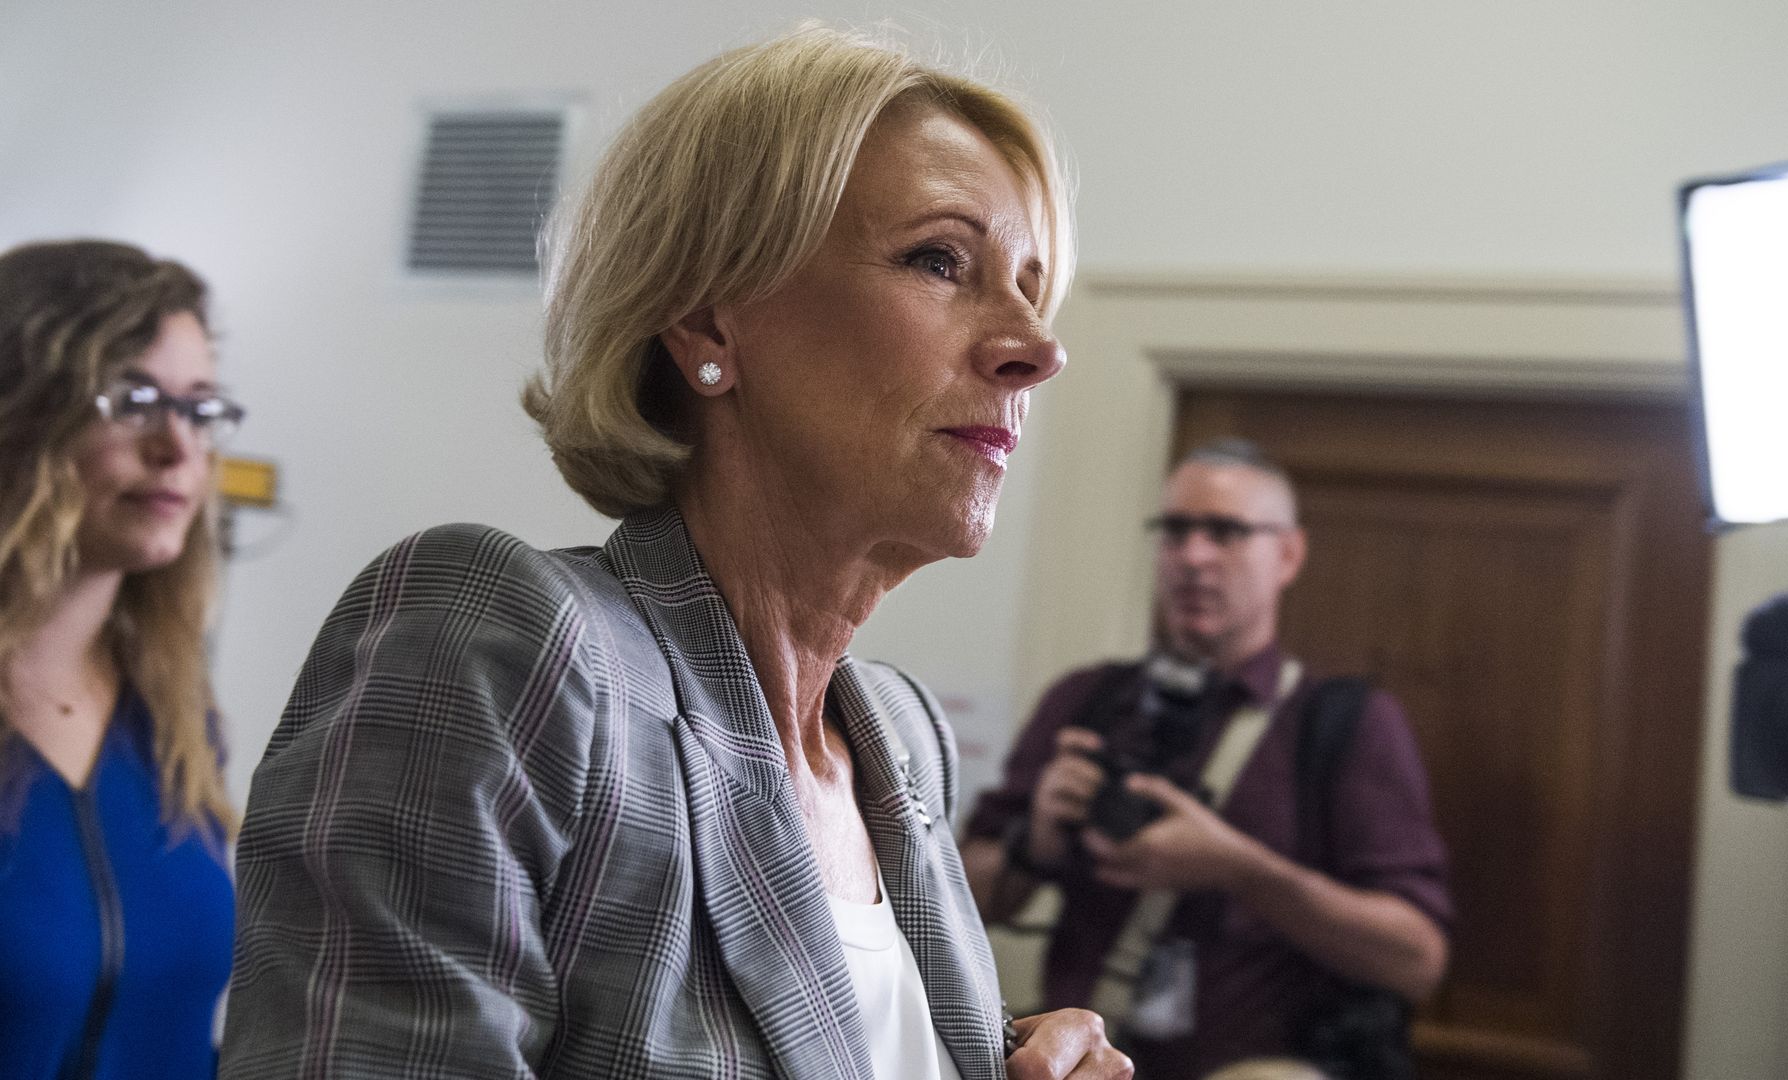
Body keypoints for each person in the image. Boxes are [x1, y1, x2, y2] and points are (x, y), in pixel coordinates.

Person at [220, 26, 1128, 1080]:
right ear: (707, 322)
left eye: (1030, 285)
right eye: (941, 261)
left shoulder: (900, 740)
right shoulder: (499, 643)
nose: (1038, 349)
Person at [962, 439, 1451, 1080]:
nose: (1193, 557)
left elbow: (1416, 961)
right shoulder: (1088, 701)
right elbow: (952, 901)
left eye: (1225, 532)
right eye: (1175, 531)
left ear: (1289, 554)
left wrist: (1239, 869)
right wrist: (1038, 842)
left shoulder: (1346, 724)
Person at [0, 240, 245, 1079]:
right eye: (135, 401)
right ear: (23, 412)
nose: (178, 448)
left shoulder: (174, 718)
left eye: (201, 410)